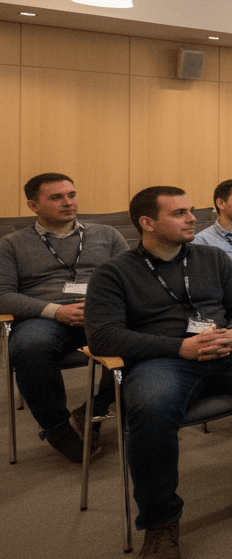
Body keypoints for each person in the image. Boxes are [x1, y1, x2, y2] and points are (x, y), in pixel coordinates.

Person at [84, 186, 232, 559]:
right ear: (147, 223)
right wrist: (179, 348)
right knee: (150, 412)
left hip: (227, 350)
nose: (192, 218)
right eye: (179, 213)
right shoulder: (114, 272)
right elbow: (103, 336)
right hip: (163, 359)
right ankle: (160, 523)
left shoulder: (212, 257)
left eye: (191, 210)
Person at [0, 173, 127, 461]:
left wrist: (102, 305)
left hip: (101, 313)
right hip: (44, 316)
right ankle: (57, 428)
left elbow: (133, 279)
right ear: (33, 206)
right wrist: (56, 311)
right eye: (56, 197)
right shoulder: (11, 244)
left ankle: (94, 410)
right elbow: (3, 295)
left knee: (144, 334)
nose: (68, 202)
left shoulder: (107, 234)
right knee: (30, 348)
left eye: (71, 195)